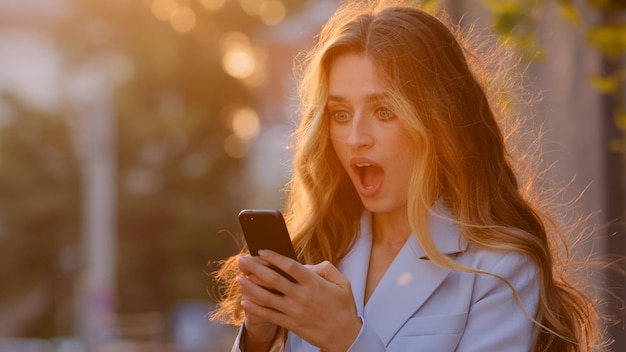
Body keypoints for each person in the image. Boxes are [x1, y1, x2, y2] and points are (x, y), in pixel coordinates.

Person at [212, 1, 602, 351]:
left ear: (438, 122)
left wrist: (347, 341)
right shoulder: (316, 251)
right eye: (341, 114)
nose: (355, 138)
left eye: (384, 111)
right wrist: (259, 340)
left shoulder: (499, 268)